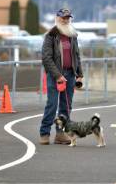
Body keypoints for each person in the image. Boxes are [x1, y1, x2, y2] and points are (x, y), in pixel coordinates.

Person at [39, 8, 83, 145]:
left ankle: (60, 134)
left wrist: (79, 74)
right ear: (57, 18)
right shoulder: (51, 35)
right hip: (55, 75)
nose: (65, 20)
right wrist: (57, 75)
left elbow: (76, 55)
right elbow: (46, 58)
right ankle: (44, 133)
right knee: (52, 104)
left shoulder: (72, 35)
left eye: (68, 18)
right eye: (63, 18)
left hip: (70, 74)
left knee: (66, 106)